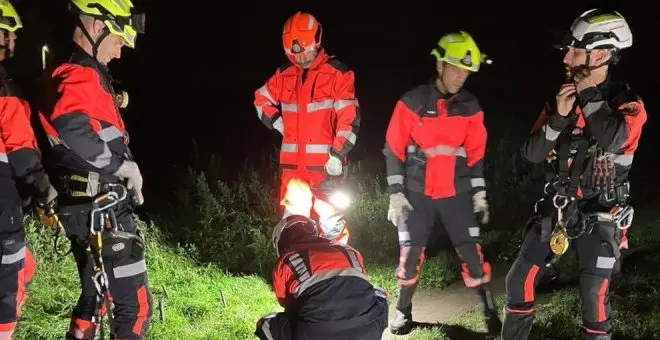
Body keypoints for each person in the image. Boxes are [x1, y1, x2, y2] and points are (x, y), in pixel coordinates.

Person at [502, 9, 646, 340]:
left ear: (601, 53)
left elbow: (612, 137)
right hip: (559, 210)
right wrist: (557, 118)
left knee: (594, 299)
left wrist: (586, 92)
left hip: (603, 214)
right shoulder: (560, 99)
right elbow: (532, 153)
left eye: (575, 49)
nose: (566, 56)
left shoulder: (628, 104)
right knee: (517, 281)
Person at [37, 1, 151, 338]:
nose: (119, 53)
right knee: (135, 308)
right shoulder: (78, 73)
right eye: (119, 41)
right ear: (98, 27)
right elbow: (71, 125)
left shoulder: (69, 70)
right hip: (104, 208)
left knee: (94, 296)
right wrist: (122, 166)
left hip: (85, 206)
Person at [383, 31, 500, 336]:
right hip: (416, 194)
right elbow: (393, 148)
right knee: (409, 255)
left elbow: (476, 156)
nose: (461, 77)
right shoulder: (412, 102)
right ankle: (403, 312)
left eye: (466, 72)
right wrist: (395, 193)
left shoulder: (472, 107)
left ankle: (489, 311)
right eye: (456, 69)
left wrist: (480, 194)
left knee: (473, 255)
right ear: (439, 65)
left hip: (457, 194)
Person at [253, 11, 360, 244]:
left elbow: (349, 119)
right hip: (293, 171)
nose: (300, 59)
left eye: (304, 51)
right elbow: (260, 99)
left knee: (332, 223)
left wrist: (338, 153)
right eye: (293, 54)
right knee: (295, 226)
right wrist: (276, 121)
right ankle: (300, 274)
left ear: (317, 41)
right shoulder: (284, 76)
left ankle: (339, 269)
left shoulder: (337, 74)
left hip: (326, 169)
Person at [254, 188, 388, 340]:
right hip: (369, 331)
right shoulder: (349, 250)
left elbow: (287, 304)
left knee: (265, 324)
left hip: (316, 334)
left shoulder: (286, 259)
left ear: (281, 241)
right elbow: (361, 284)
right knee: (378, 293)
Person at [0, 1, 58, 337]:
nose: (14, 41)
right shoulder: (5, 90)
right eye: (10, 34)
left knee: (27, 264)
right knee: (10, 282)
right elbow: (21, 151)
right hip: (3, 206)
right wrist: (44, 192)